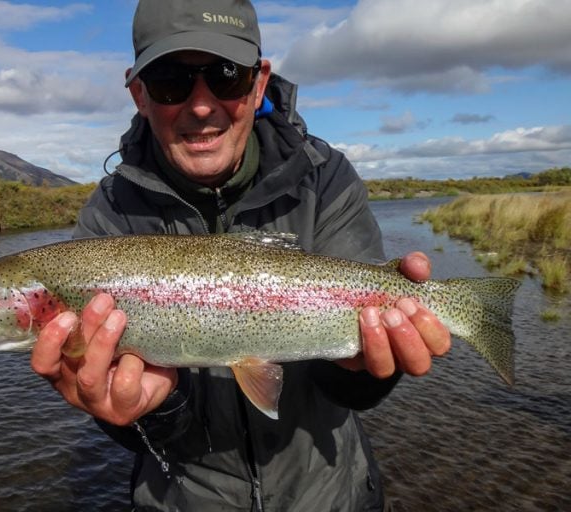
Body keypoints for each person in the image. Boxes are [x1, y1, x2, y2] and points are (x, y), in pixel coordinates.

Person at [31, 1, 451, 510]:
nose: (202, 105)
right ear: (138, 92)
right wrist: (151, 411)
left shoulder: (324, 178)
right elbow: (140, 426)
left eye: (225, 76)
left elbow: (350, 389)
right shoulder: (107, 216)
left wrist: (364, 370)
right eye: (170, 80)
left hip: (329, 495)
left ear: (257, 84)